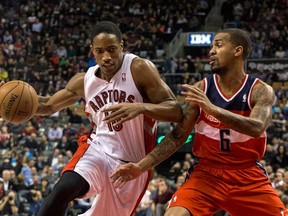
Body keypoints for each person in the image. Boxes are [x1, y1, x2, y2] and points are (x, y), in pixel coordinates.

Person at [110, 28, 288, 216]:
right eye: (212, 46)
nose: (211, 51)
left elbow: (257, 127)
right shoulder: (201, 89)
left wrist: (212, 109)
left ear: (238, 51)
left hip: (247, 175)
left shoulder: (260, 90)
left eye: (218, 45)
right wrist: (141, 166)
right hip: (207, 174)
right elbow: (177, 136)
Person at [33, 21, 182, 216]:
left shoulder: (138, 68)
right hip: (98, 151)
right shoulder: (84, 81)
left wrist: (140, 107)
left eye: (112, 50)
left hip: (132, 165)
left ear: (121, 46)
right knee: (62, 191)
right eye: (100, 51)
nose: (106, 57)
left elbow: (176, 111)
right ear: (92, 51)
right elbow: (48, 105)